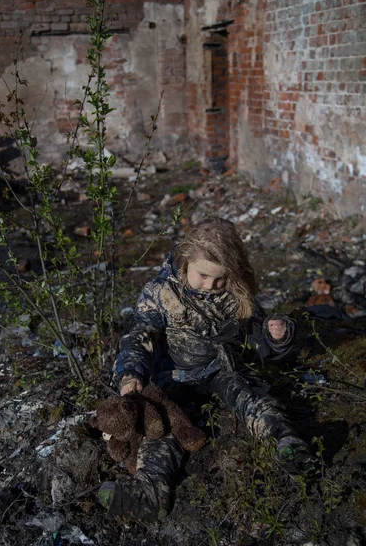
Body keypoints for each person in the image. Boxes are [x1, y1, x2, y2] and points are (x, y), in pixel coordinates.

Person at [98, 218, 315, 521]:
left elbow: (257, 335)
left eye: (220, 280)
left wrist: (275, 334)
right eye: (203, 276)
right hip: (171, 376)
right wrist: (131, 373)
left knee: (252, 397)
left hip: (220, 369)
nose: (210, 286)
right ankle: (151, 490)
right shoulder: (161, 292)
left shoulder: (234, 294)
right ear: (186, 261)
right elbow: (139, 335)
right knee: (162, 424)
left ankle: (286, 443)